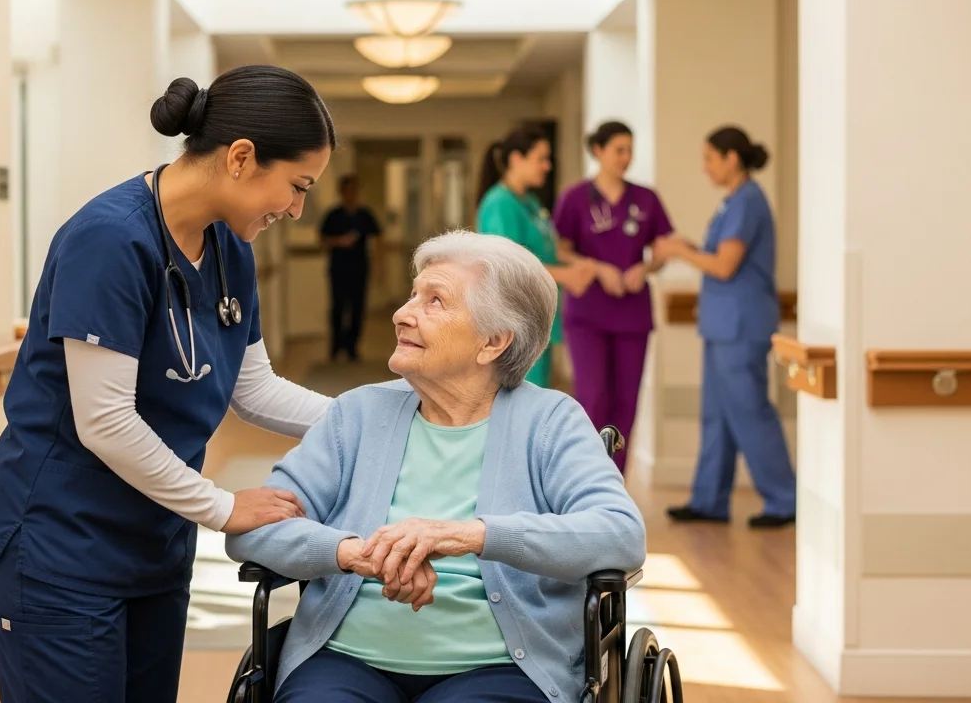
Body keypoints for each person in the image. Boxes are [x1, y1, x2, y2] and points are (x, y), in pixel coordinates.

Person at [0, 65, 340, 702]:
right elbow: (105, 421)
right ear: (242, 158)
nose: (298, 209)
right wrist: (222, 507)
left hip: (154, 542)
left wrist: (384, 412)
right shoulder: (110, 240)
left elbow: (254, 390)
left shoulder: (229, 248)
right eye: (297, 186)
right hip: (60, 545)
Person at [226, 231, 646, 703]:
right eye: (412, 295)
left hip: (502, 667)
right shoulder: (357, 414)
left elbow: (620, 534)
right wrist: (354, 553)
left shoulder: (551, 422)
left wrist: (468, 536)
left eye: (435, 301)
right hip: (344, 660)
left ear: (493, 342)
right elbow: (252, 529)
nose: (401, 314)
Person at [656, 126, 796, 528]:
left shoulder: (748, 201)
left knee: (750, 412)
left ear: (731, 158)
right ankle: (709, 500)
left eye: (709, 159)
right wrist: (690, 248)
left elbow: (723, 266)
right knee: (716, 416)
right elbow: (719, 257)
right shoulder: (732, 202)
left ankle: (784, 499)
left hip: (741, 326)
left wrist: (681, 252)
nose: (705, 167)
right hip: (722, 326)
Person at [553, 121, 675, 473]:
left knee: (626, 403)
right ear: (598, 151)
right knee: (593, 398)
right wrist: (595, 267)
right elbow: (561, 248)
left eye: (629, 150)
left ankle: (613, 480)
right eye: (619, 150)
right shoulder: (576, 198)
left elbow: (663, 250)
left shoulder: (646, 199)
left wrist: (645, 269)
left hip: (632, 314)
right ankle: (586, 477)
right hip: (587, 314)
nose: (626, 158)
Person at [475, 127, 596, 388]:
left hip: (535, 316)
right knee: (519, 396)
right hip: (515, 320)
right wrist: (566, 276)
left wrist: (579, 264)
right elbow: (508, 264)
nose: (547, 166)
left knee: (536, 392)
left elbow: (546, 247)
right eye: (541, 159)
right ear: (516, 159)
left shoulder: (528, 201)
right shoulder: (499, 204)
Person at [320, 174, 382, 361]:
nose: (351, 194)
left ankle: (352, 347)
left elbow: (378, 238)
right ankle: (336, 347)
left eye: (354, 190)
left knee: (357, 309)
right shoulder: (333, 215)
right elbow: (322, 239)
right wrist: (339, 241)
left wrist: (380, 265)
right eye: (347, 190)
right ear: (342, 192)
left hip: (359, 268)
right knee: (337, 308)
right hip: (338, 268)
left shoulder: (364, 215)